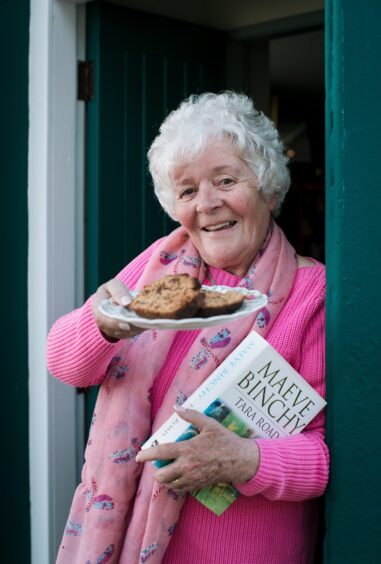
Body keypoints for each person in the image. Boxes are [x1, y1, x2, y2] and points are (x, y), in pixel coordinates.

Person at [47, 92, 328, 564]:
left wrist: (244, 460)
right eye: (188, 190)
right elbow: (63, 363)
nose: (208, 203)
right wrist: (101, 325)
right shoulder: (161, 266)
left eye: (225, 179)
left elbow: (324, 456)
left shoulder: (310, 293)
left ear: (268, 187)